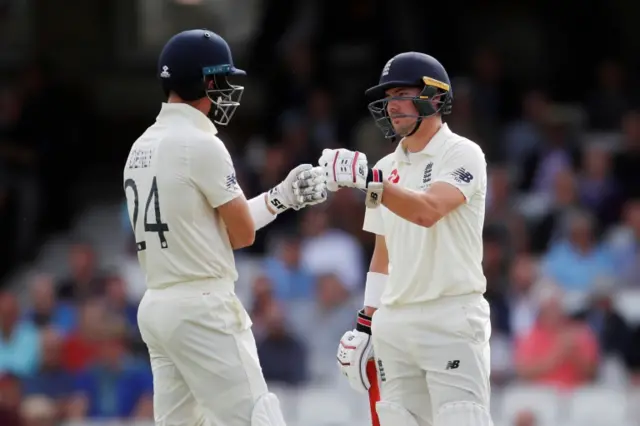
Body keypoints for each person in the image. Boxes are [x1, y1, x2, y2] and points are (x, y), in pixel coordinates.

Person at [123, 29, 327, 426]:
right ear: (201, 80)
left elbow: (207, 224)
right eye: (221, 79)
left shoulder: (141, 146)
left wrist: (282, 193)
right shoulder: (201, 144)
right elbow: (241, 234)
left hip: (159, 306)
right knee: (258, 418)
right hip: (202, 307)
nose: (227, 89)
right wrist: (283, 199)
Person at [324, 52, 493, 426]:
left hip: (450, 316)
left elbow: (429, 210)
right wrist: (366, 323)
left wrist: (370, 182)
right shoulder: (385, 168)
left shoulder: (463, 153)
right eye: (388, 97)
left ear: (434, 97)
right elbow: (383, 252)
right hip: (395, 325)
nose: (393, 105)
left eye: (402, 93)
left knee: (461, 419)